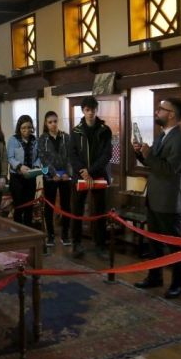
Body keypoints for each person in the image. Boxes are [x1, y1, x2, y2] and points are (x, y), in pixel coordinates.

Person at [132, 98, 181, 299]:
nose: (157, 112)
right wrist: (140, 153)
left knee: (174, 245)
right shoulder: (162, 135)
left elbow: (169, 169)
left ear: (172, 114)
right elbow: (153, 163)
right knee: (154, 243)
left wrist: (149, 155)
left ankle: (178, 284)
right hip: (154, 197)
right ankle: (155, 277)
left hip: (169, 200)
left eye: (161, 109)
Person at [69, 96, 112, 259]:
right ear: (83, 111)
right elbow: (72, 154)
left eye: (93, 109)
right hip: (80, 176)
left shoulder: (105, 130)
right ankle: (76, 243)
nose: (90, 113)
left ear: (96, 110)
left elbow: (106, 154)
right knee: (77, 210)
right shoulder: (76, 131)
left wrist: (91, 172)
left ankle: (100, 244)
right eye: (87, 110)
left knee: (100, 211)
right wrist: (83, 171)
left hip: (98, 175)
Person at [38, 111, 72, 247]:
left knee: (66, 206)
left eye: (55, 121)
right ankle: (50, 236)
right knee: (49, 206)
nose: (53, 124)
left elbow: (70, 157)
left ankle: (65, 235)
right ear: (46, 123)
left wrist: (68, 173)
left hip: (65, 177)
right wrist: (53, 174)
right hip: (50, 177)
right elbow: (43, 158)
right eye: (50, 122)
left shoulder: (66, 137)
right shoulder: (42, 139)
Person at [7, 115, 41, 227]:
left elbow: (39, 156)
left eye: (29, 127)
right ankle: (18, 230)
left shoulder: (35, 140)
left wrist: (36, 166)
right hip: (17, 178)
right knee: (19, 206)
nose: (27, 130)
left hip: (30, 177)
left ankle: (28, 229)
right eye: (23, 128)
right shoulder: (13, 140)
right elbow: (10, 157)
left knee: (29, 206)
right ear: (19, 128)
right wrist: (20, 166)